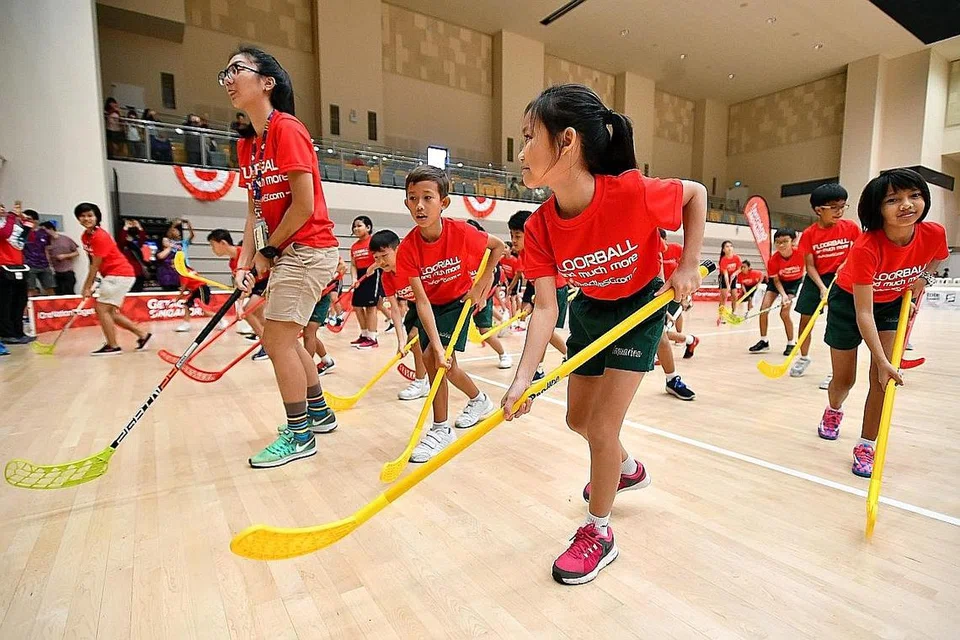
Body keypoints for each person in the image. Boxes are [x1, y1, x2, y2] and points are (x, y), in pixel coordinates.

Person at [500, 84, 706, 585]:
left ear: (566, 142)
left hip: (640, 308)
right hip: (591, 310)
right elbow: (546, 307)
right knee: (577, 420)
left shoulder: (631, 192)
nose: (521, 151)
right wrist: (522, 379)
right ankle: (627, 467)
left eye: (529, 138)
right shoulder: (543, 226)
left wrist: (687, 262)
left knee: (601, 430)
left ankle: (599, 531)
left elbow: (696, 194)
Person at [222, 45, 340, 468]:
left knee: (276, 341)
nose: (229, 79)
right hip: (285, 250)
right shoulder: (248, 147)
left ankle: (299, 435)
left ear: (267, 82)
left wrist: (268, 253)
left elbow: (304, 205)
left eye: (238, 70)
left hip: (308, 249)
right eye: (226, 73)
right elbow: (255, 209)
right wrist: (243, 261)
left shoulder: (288, 129)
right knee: (286, 340)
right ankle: (319, 414)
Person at [818, 168, 947, 477]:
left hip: (891, 304)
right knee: (843, 381)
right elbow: (864, 312)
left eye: (914, 196)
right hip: (850, 305)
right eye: (893, 199)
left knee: (882, 380)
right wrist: (880, 357)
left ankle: (865, 445)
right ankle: (834, 409)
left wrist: (923, 279)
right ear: (877, 208)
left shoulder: (934, 233)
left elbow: (937, 257)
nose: (906, 205)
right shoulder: (866, 247)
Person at [396, 165, 505, 460]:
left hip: (458, 302)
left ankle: (441, 428)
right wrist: (435, 341)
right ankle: (479, 399)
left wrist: (482, 282)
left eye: (427, 198)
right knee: (443, 362)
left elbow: (499, 248)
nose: (419, 205)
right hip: (432, 306)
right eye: (412, 198)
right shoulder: (407, 249)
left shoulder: (461, 232)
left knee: (435, 359)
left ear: (443, 202)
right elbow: (420, 302)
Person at [790, 183, 861, 379]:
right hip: (816, 280)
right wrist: (821, 287)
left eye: (843, 206)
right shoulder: (810, 234)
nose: (840, 211)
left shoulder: (851, 228)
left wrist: (845, 265)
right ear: (818, 210)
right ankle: (803, 358)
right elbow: (810, 266)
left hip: (843, 278)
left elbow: (857, 252)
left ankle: (836, 371)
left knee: (838, 325)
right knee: (805, 321)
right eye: (834, 207)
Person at [75, 202, 152, 355]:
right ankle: (142, 335)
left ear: (97, 217)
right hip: (112, 275)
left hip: (119, 274)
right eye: (82, 216)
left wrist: (87, 287)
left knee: (101, 309)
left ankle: (112, 345)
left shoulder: (100, 236)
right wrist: (96, 280)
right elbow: (92, 261)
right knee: (110, 312)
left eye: (90, 215)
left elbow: (95, 265)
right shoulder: (85, 236)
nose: (86, 219)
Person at [370, 229, 430, 400]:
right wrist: (400, 340)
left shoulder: (412, 264)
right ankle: (423, 377)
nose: (381, 262)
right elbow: (394, 309)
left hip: (434, 302)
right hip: (416, 305)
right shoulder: (386, 276)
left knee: (414, 337)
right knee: (411, 342)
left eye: (384, 255)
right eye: (376, 258)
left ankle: (421, 381)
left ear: (398, 249)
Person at [509, 209, 568, 380]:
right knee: (539, 330)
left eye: (517, 236)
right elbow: (531, 283)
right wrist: (527, 304)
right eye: (512, 235)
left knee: (544, 331)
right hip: (542, 291)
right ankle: (538, 368)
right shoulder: (523, 255)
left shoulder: (544, 249)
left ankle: (569, 353)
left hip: (556, 290)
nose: (513, 240)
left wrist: (532, 301)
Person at [207, 228, 269, 358]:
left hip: (266, 281)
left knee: (248, 312)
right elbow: (240, 287)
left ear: (222, 243)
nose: (212, 249)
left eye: (213, 245)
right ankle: (273, 341)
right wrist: (238, 308)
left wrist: (242, 309)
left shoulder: (244, 254)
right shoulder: (232, 262)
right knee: (258, 316)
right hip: (256, 285)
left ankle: (267, 346)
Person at [748, 228, 804, 355]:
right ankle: (764, 341)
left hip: (793, 283)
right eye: (778, 242)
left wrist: (789, 296)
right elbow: (776, 281)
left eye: (785, 241)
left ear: (793, 241)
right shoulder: (773, 260)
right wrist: (783, 295)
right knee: (764, 309)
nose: (781, 245)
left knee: (784, 313)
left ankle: (791, 343)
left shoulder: (801, 253)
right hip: (777, 283)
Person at [465, 219, 512, 369]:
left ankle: (503, 354)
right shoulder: (461, 252)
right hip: (465, 296)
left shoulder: (485, 254)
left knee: (484, 330)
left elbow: (490, 277)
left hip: (483, 295)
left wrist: (483, 298)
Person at [660, 229, 699, 360]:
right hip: (660, 296)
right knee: (658, 329)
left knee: (662, 330)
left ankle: (684, 339)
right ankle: (690, 340)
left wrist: (688, 297)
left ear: (665, 240)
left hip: (677, 295)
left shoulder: (676, 249)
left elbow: (690, 272)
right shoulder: (652, 254)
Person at [0, 202, 32, 344]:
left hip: (18, 266)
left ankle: (18, 332)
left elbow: (26, 238)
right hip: (2, 267)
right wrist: (12, 217)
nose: (2, 209)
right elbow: (4, 233)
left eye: (2, 207)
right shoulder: (7, 224)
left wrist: (25, 220)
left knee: (20, 301)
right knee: (5, 302)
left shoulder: (12, 223)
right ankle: (7, 334)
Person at [349, 215, 382, 349]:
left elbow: (380, 259)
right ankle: (364, 334)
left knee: (370, 307)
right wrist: (354, 279)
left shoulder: (373, 242)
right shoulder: (354, 247)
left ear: (368, 228)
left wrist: (372, 268)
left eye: (359, 225)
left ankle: (372, 338)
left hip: (373, 274)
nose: (356, 228)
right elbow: (353, 265)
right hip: (361, 275)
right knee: (357, 306)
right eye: (354, 226)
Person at [22, 210, 55, 296]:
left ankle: (53, 308)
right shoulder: (22, 233)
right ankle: (30, 308)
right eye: (24, 219)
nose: (26, 221)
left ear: (35, 220)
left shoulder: (43, 233)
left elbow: (46, 249)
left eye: (29, 219)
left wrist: (50, 265)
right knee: (30, 289)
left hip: (44, 265)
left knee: (50, 288)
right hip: (29, 265)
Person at [43, 221, 80, 295]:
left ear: (50, 229)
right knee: (58, 294)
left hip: (68, 271)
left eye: (44, 230)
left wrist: (65, 256)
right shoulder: (46, 242)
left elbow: (76, 253)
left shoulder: (66, 239)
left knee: (69, 293)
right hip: (55, 272)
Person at [118, 219, 149, 291]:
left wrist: (139, 227)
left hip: (138, 273)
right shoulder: (122, 245)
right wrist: (125, 227)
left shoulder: (136, 244)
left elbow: (142, 239)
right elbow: (121, 240)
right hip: (126, 274)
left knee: (137, 292)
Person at [718, 240, 742, 318]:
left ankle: (734, 312)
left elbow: (740, 269)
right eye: (727, 246)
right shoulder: (723, 260)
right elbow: (725, 274)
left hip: (733, 277)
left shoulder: (737, 258)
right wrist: (728, 285)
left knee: (734, 296)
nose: (729, 248)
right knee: (724, 297)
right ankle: (721, 315)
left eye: (731, 246)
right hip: (724, 278)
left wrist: (735, 273)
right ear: (723, 250)